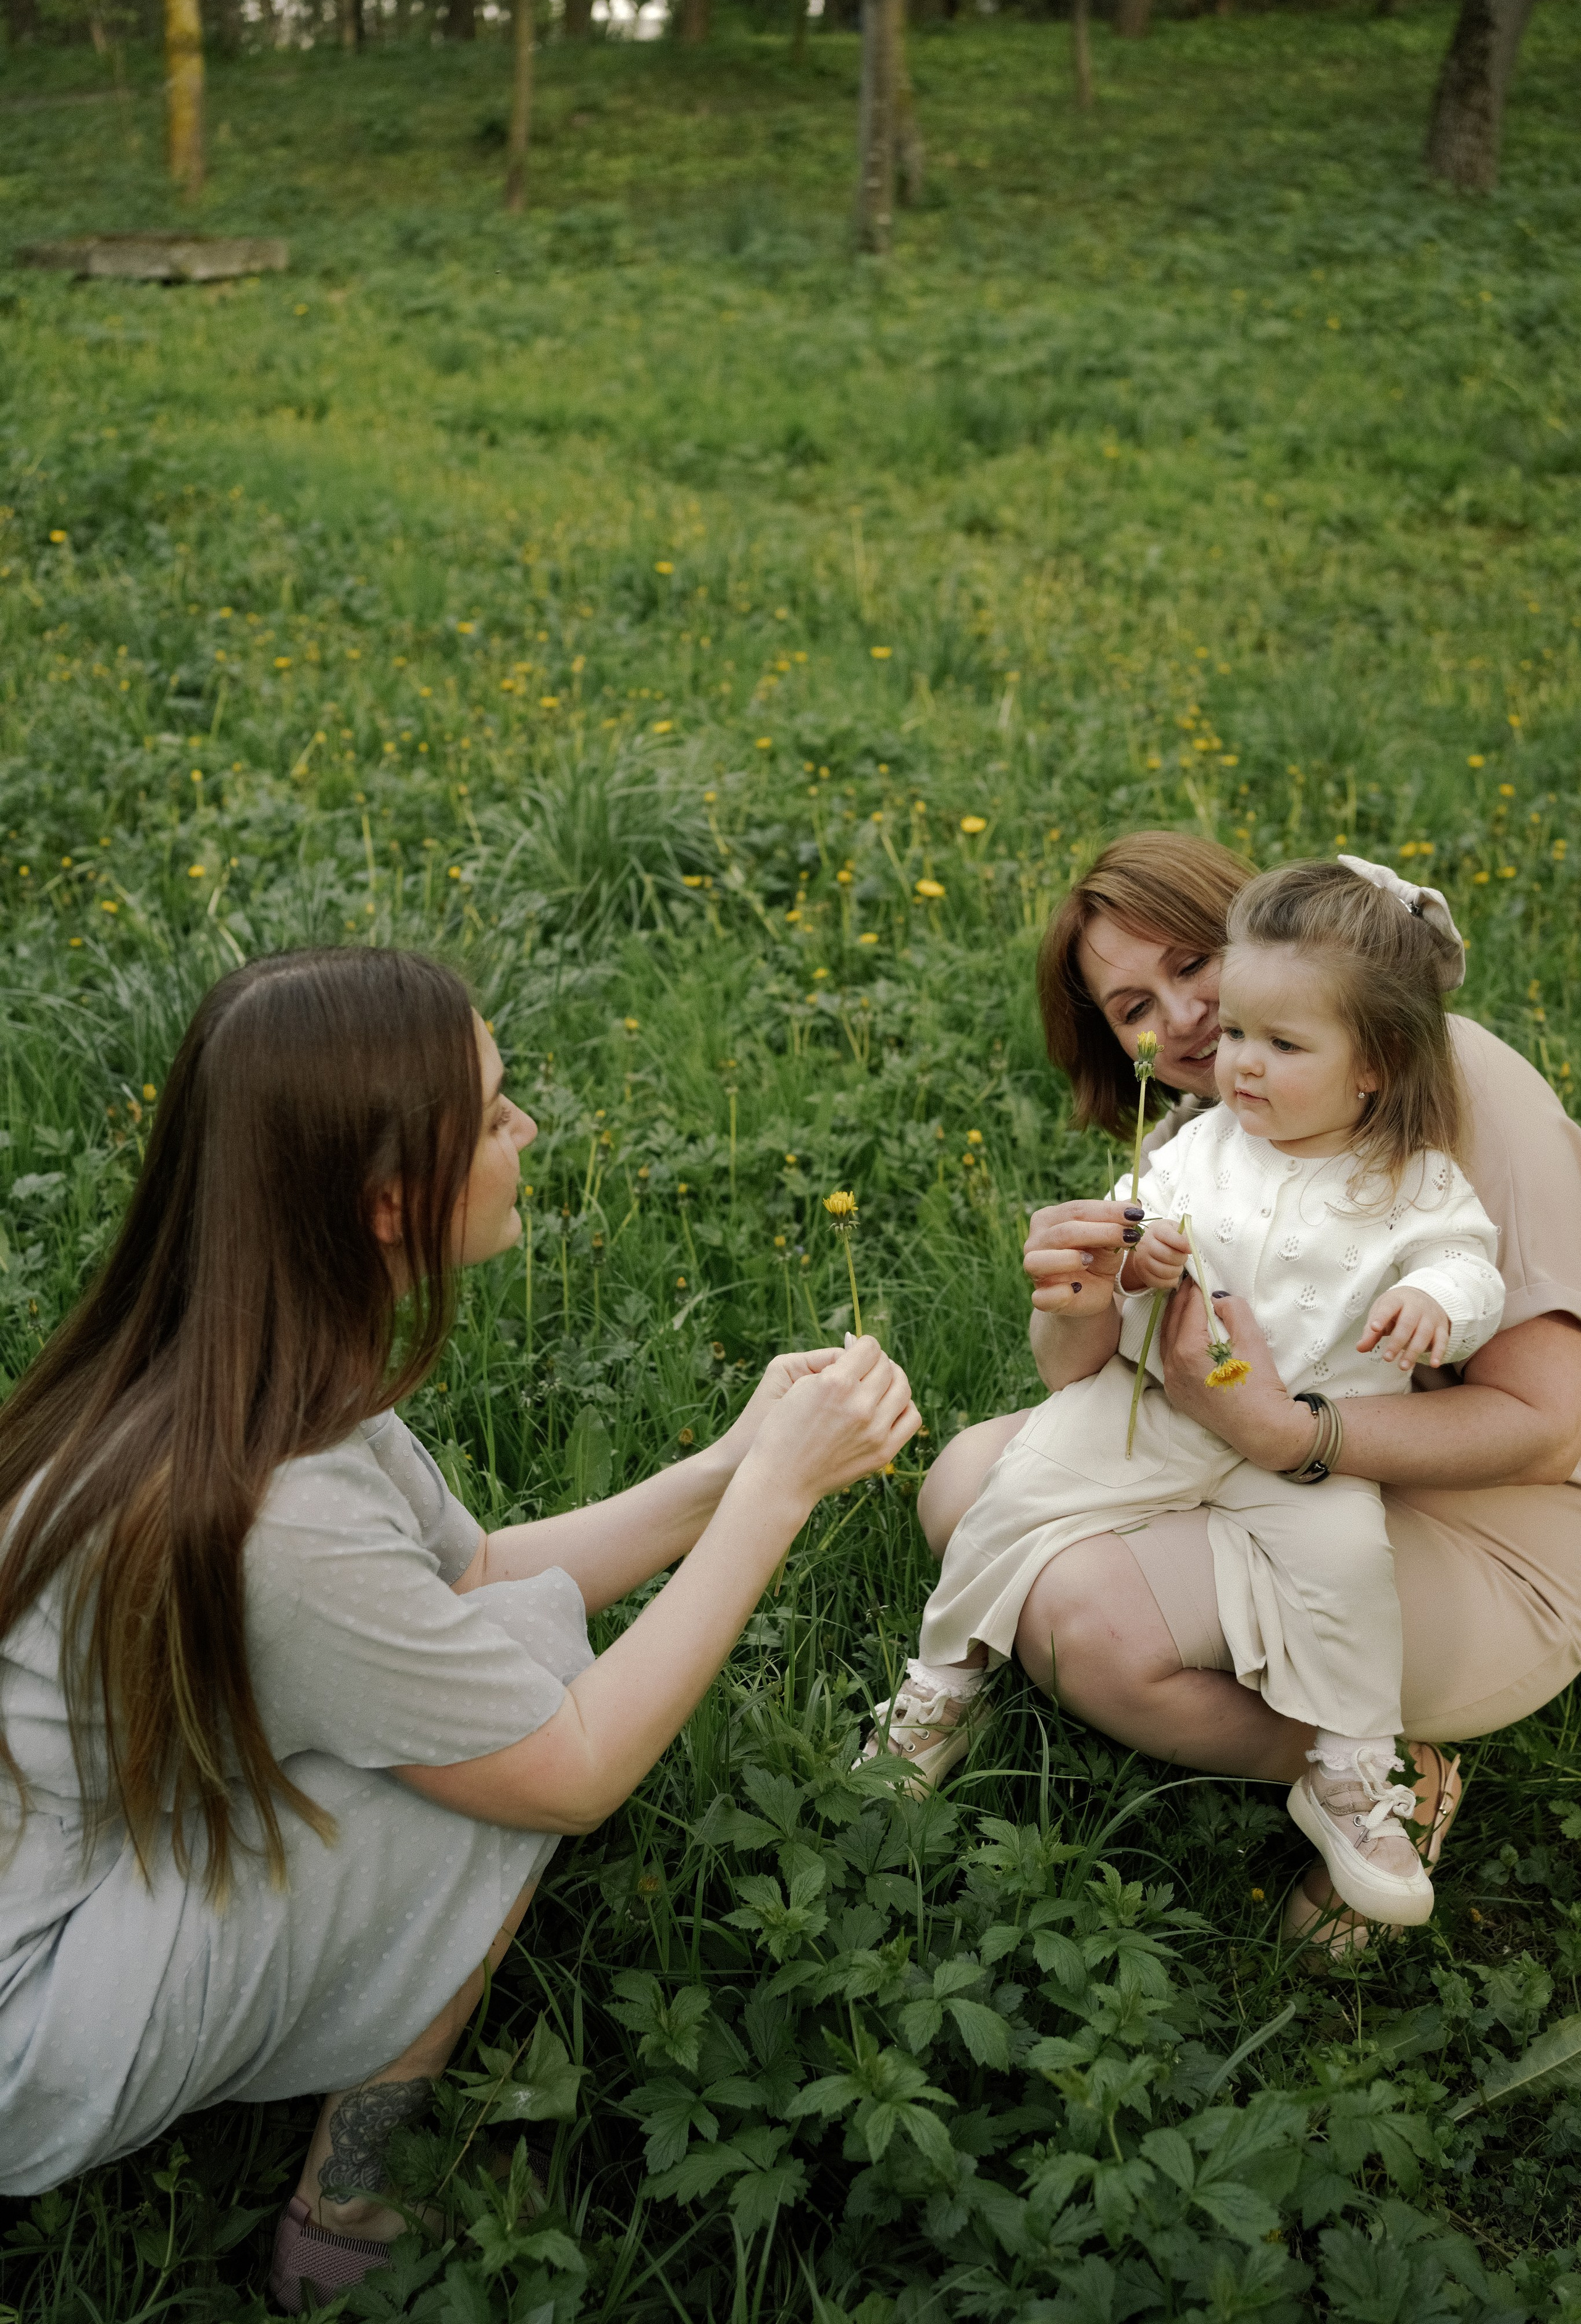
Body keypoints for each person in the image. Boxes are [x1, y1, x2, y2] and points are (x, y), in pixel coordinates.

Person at [0, 948, 918, 2309]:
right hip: (30, 2021)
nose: (526, 1129)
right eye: (492, 1115)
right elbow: (575, 1770)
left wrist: (728, 1465)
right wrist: (777, 1500)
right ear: (386, 1204)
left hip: (76, 1874)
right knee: (523, 1689)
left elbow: (472, 1569)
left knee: (498, 1640)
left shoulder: (236, 1359)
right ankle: (353, 2195)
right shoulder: (282, 1515)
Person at [911, 830, 1581, 1955]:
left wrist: (1287, 1432)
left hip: (1500, 1521)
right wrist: (1074, 1298)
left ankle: (1387, 1779)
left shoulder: (1452, 1081)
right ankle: (983, 1679)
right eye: (1134, 1006)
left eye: (1193, 965)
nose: (1182, 1022)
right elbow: (1097, 1375)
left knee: (1083, 1622)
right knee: (962, 1484)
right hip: (1269, 1452)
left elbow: (1546, 1424)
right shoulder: (1208, 1138)